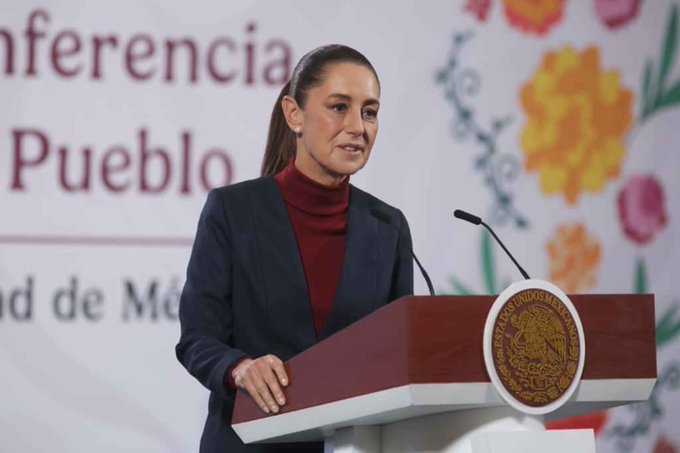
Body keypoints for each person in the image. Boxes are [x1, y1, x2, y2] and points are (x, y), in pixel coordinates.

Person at [176, 44, 414, 453]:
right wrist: (239, 368)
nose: (357, 126)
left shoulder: (388, 226)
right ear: (294, 114)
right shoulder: (233, 210)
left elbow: (400, 353)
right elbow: (197, 338)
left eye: (369, 112)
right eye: (339, 107)